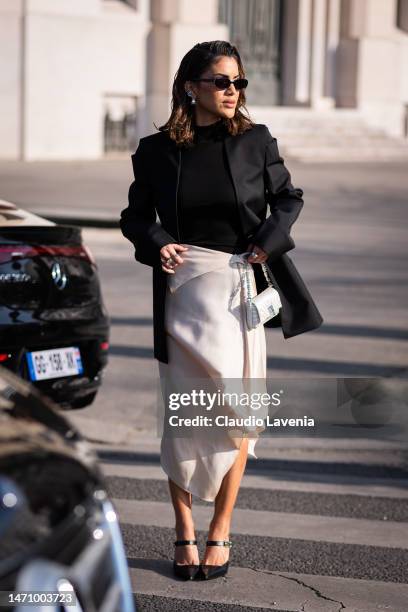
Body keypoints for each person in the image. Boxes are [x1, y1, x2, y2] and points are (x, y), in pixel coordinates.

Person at [120, 40, 323, 581]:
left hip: (238, 291)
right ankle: (184, 530)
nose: (233, 91)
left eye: (239, 82)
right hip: (183, 293)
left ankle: (221, 530)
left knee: (235, 416)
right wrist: (157, 239)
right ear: (191, 86)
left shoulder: (256, 142)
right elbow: (135, 217)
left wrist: (269, 239)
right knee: (185, 416)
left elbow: (288, 198)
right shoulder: (156, 150)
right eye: (221, 81)